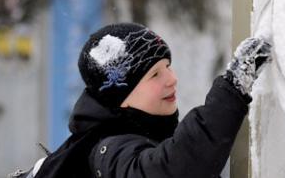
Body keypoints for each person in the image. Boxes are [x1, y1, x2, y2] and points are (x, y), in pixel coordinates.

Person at [15, 22, 271, 178]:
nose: (171, 79)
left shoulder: (139, 134)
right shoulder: (108, 150)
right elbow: (172, 171)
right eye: (154, 74)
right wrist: (233, 88)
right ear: (122, 98)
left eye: (168, 66)